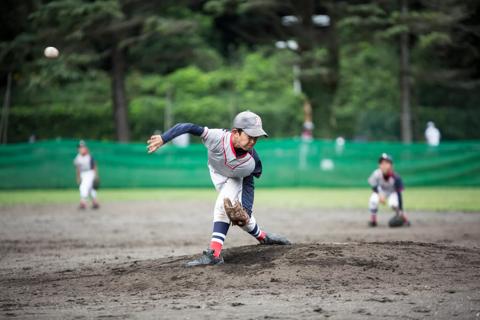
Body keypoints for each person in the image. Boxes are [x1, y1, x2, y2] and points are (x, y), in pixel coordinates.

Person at [147, 111, 291, 266]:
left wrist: (247, 210)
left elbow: (249, 183)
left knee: (224, 205)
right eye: (250, 136)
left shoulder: (251, 161)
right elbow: (187, 127)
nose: (253, 141)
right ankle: (263, 237)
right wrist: (164, 138)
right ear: (236, 132)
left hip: (236, 178)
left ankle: (214, 255)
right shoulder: (217, 138)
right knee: (236, 215)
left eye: (256, 137)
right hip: (217, 173)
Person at [367, 153, 410, 227]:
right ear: (379, 165)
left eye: (386, 163)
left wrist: (401, 209)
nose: (384, 165)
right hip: (382, 192)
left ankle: (403, 217)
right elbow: (374, 185)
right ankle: (373, 220)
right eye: (382, 163)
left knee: (393, 204)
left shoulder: (396, 177)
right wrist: (380, 194)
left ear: (391, 165)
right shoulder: (376, 174)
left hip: (393, 193)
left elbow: (399, 194)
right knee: (373, 199)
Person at [73, 140, 100, 210]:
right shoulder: (77, 158)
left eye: (83, 147)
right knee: (90, 188)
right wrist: (78, 177)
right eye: (80, 147)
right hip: (82, 174)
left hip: (90, 173)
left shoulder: (89, 157)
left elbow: (94, 166)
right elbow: (77, 169)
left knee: (83, 186)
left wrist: (96, 175)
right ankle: (95, 203)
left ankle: (83, 202)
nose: (81, 148)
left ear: (86, 148)